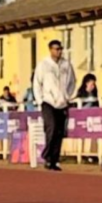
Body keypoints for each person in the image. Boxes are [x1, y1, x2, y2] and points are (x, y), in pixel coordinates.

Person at [32, 40, 75, 171]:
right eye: (56, 49)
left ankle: (54, 160)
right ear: (50, 50)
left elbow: (72, 81)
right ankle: (47, 155)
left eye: (60, 49)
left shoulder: (66, 65)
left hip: (62, 103)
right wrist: (40, 100)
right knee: (51, 127)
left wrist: (67, 96)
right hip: (48, 102)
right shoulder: (43, 65)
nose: (59, 51)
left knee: (59, 132)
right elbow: (36, 83)